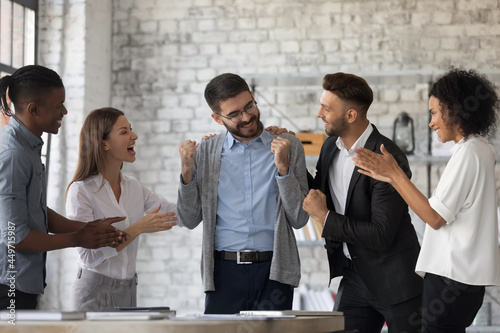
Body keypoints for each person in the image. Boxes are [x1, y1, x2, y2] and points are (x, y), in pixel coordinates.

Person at [353, 68, 500, 332]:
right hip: (461, 280)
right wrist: (392, 177)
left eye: (434, 113)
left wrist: (394, 175)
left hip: (451, 278)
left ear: (454, 110)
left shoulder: (470, 153)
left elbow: (434, 217)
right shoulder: (481, 149)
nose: (431, 122)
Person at [177, 73, 309, 314]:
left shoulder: (288, 145)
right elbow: (189, 219)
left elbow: (300, 219)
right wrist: (187, 172)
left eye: (249, 105)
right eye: (235, 114)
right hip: (223, 273)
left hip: (275, 271)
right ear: (217, 118)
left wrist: (283, 170)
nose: (247, 117)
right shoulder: (206, 152)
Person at [303, 72, 423, 333]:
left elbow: (381, 235)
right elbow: (319, 196)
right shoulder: (329, 147)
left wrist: (324, 218)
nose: (319, 113)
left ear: (351, 116)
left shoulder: (386, 156)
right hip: (355, 277)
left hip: (396, 282)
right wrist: (289, 160)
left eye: (326, 108)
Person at [0, 65, 126, 310]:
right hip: (8, 288)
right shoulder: (14, 154)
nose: (65, 111)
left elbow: (34, 210)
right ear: (33, 109)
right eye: (59, 105)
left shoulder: (28, 147)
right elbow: (15, 236)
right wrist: (78, 238)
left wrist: (89, 229)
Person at [66, 107, 180, 310]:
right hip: (94, 291)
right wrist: (137, 228)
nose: (134, 136)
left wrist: (188, 172)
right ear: (104, 144)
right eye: (124, 132)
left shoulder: (133, 187)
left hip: (128, 289)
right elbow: (88, 257)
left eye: (131, 129)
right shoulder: (81, 191)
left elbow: (177, 215)